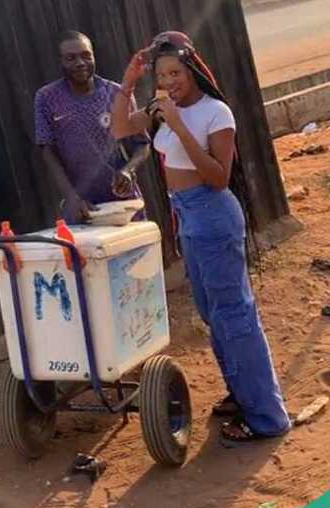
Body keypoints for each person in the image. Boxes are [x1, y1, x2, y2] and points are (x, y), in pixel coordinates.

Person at [111, 31, 290, 445]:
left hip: (212, 214)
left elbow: (217, 176)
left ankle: (266, 417)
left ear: (192, 69)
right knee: (212, 312)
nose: (170, 80)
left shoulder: (215, 112)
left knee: (234, 315)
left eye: (176, 72)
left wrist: (176, 124)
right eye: (162, 74)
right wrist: (129, 80)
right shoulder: (160, 108)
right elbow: (121, 128)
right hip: (186, 216)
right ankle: (241, 393)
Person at [35, 31, 151, 224]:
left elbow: (142, 144)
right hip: (82, 205)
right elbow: (47, 150)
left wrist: (128, 170)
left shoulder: (116, 94)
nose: (80, 62)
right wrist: (71, 197)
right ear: (60, 62)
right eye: (70, 58)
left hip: (123, 203)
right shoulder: (47, 98)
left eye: (85, 55)